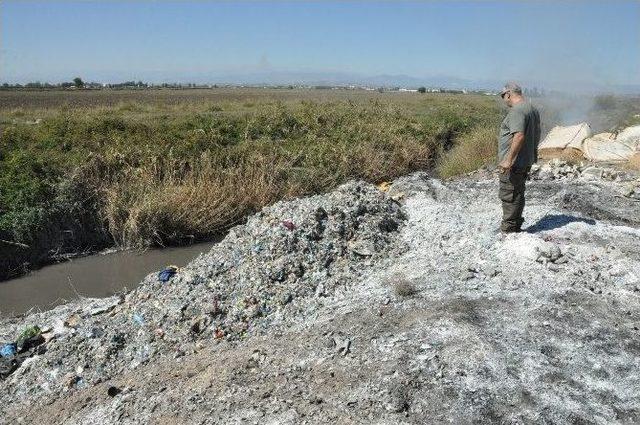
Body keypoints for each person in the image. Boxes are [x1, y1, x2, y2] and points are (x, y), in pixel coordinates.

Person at [497, 82, 541, 233]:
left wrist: (508, 159)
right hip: (525, 159)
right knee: (517, 193)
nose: (504, 100)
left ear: (508, 94)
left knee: (509, 194)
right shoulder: (532, 109)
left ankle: (508, 230)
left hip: (514, 163)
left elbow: (519, 135)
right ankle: (515, 226)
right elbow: (535, 133)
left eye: (503, 96)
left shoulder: (517, 111)